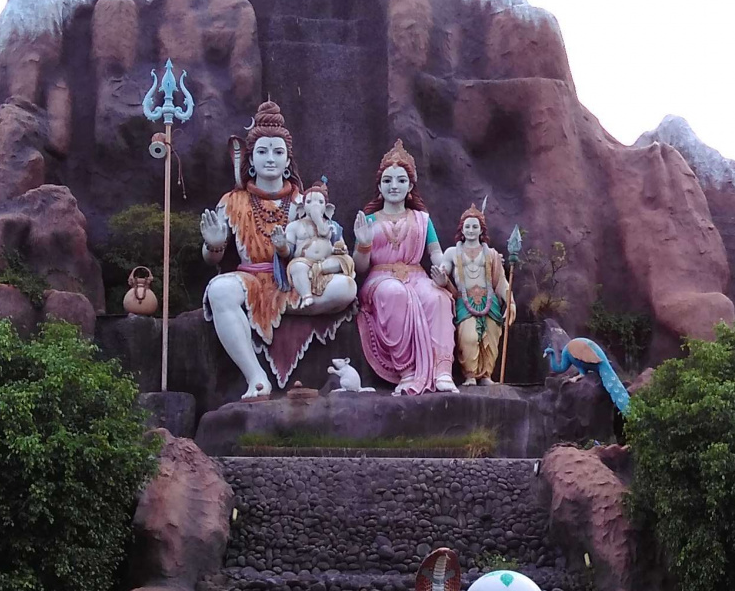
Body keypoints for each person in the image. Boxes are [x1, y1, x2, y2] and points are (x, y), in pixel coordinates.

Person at [197, 102, 357, 399]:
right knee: (219, 290)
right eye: (262, 152)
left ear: (288, 161)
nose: (270, 159)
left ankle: (281, 308)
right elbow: (211, 259)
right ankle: (256, 377)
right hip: (251, 280)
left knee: (346, 288)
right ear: (251, 160)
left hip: (297, 281)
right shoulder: (232, 201)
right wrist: (214, 243)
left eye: (278, 152)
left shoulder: (304, 202)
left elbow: (327, 244)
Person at [351, 141, 456, 395]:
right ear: (379, 186)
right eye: (387, 181)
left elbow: (436, 253)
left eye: (400, 180)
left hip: (417, 274)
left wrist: (443, 271)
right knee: (394, 293)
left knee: (438, 298)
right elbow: (359, 267)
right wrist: (363, 245)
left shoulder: (422, 219)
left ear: (410, 186)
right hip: (380, 278)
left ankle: (442, 370)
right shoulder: (370, 221)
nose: (394, 186)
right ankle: (407, 370)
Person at [437, 206, 512, 385]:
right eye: (467, 227)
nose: (471, 230)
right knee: (469, 337)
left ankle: (486, 375)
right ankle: (470, 374)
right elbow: (444, 269)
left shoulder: (492, 254)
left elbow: (501, 281)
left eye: (475, 227)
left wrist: (510, 301)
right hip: (465, 301)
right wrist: (441, 277)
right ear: (461, 229)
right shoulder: (452, 252)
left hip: (489, 302)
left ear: (481, 230)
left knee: (491, 338)